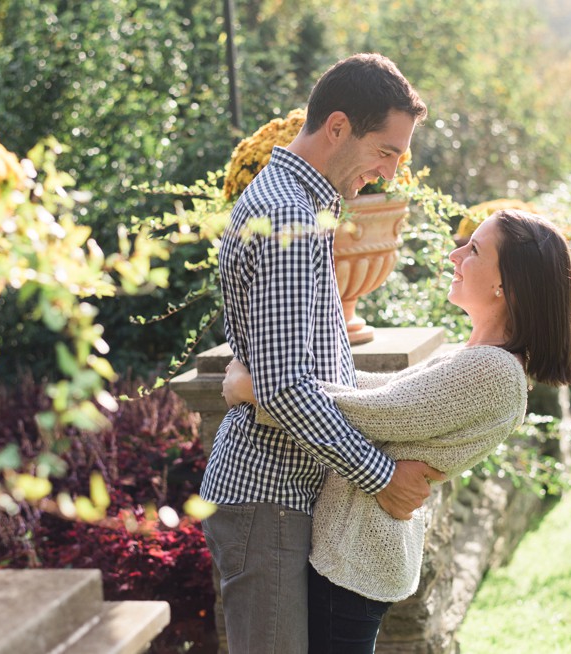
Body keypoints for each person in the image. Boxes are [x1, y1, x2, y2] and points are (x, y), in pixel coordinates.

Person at [223, 209, 571, 651]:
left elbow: (373, 411)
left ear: (505, 285)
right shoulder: (478, 356)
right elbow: (380, 391)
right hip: (354, 554)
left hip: (354, 561)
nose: (455, 255)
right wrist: (285, 380)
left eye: (473, 249)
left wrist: (258, 389)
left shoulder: (493, 371)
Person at [199, 53, 440, 654]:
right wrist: (383, 477)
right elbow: (284, 388)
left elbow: (311, 369)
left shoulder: (301, 209)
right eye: (385, 151)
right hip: (267, 499)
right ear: (337, 128)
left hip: (285, 502)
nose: (387, 173)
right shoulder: (288, 218)